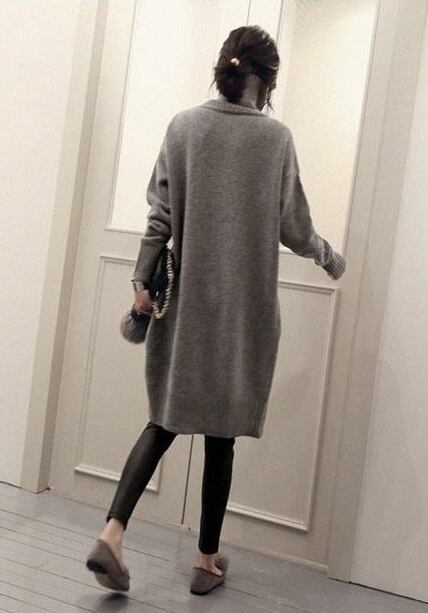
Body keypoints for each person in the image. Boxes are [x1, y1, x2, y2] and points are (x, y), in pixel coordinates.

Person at [86, 24, 346, 595]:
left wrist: (140, 282)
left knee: (163, 421)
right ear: (266, 81)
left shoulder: (183, 127)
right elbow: (294, 226)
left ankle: (112, 532)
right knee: (221, 436)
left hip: (184, 309)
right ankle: (206, 561)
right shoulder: (274, 140)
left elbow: (159, 216)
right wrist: (329, 257)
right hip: (242, 315)